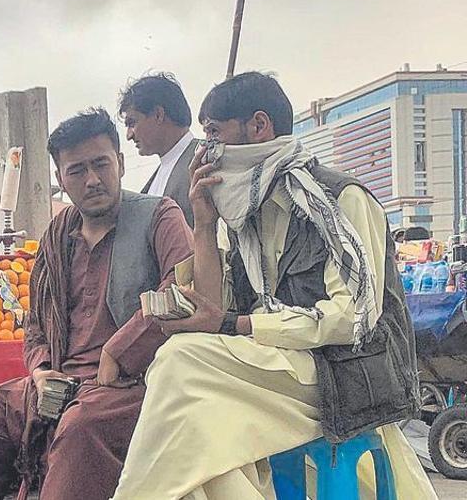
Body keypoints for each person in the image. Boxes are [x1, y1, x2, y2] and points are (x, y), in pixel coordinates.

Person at [112, 72, 435, 499]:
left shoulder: (339, 199)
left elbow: (350, 320)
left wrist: (240, 326)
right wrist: (205, 224)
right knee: (199, 431)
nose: (205, 150)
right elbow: (214, 306)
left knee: (181, 363)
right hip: (274, 370)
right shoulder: (242, 214)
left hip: (340, 375)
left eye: (213, 133)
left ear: (259, 126)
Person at [0, 109, 193, 500]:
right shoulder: (58, 232)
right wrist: (40, 371)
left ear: (120, 163)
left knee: (81, 428)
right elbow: (36, 320)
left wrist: (119, 352)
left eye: (101, 164)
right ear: (60, 179)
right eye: (77, 170)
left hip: (129, 384)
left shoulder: (159, 216)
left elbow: (182, 291)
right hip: (58, 382)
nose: (92, 180)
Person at [119, 73, 200, 226]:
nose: (129, 135)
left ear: (158, 115)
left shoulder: (205, 161)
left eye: (132, 123)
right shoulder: (161, 172)